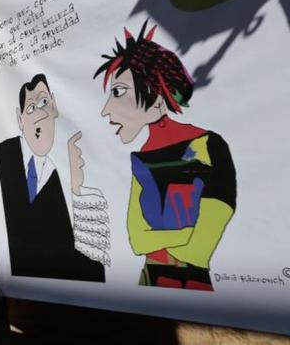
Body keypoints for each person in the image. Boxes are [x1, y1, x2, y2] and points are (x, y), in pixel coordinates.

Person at [94, 22, 236, 291]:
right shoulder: (142, 157)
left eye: (119, 92)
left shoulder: (209, 144)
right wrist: (181, 235)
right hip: (151, 277)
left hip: (191, 279)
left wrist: (169, 244)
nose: (106, 110)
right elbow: (137, 238)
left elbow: (217, 213)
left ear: (158, 91)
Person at [0, 73, 108, 282]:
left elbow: (82, 262)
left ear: (54, 106)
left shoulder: (60, 172)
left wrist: (76, 191)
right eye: (30, 108)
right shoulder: (0, 155)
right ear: (20, 118)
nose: (39, 114)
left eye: (44, 102)